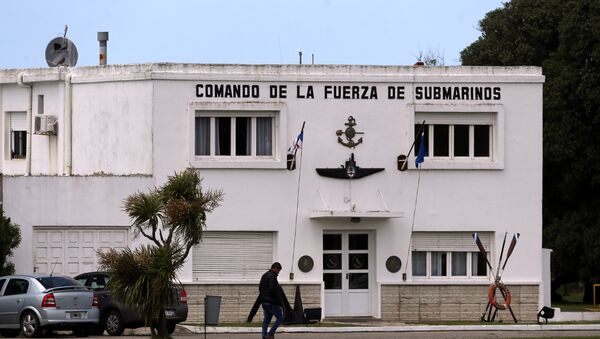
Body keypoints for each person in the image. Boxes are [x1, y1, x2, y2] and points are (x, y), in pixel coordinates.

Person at [259, 262, 283, 339]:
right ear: (275, 268)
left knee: (266, 320)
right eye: (278, 271)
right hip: (272, 302)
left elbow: (260, 288)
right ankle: (270, 334)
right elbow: (273, 289)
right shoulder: (272, 276)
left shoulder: (264, 275)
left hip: (264, 302)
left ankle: (264, 336)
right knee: (280, 318)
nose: (278, 273)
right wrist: (278, 300)